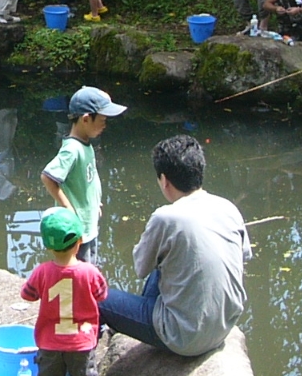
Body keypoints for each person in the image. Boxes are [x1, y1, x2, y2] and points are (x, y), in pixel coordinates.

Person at [98, 135, 252, 357]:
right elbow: (243, 255)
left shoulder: (166, 217)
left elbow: (141, 268)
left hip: (184, 337)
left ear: (164, 180)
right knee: (168, 262)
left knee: (94, 298)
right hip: (223, 327)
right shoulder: (228, 207)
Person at [20, 207, 109, 376]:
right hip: (82, 341)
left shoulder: (42, 272)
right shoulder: (89, 271)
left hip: (50, 342)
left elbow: (27, 295)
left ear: (47, 246)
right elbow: (102, 295)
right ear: (80, 241)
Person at [42, 87, 126, 266]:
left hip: (89, 225)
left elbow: (86, 180)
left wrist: (95, 204)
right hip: (77, 230)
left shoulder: (85, 145)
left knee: (89, 268)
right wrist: (70, 211)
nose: (105, 125)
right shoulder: (72, 149)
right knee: (80, 275)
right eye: (102, 120)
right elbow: (48, 177)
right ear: (86, 119)